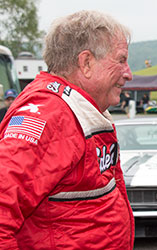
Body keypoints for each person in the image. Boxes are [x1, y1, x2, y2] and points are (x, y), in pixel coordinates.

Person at [0, 10, 134, 249]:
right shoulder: (51, 114)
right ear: (86, 63)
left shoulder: (76, 107)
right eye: (121, 60)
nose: (129, 74)